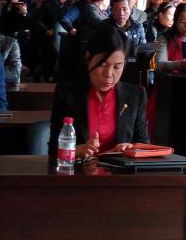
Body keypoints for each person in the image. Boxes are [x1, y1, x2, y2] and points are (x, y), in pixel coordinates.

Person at [48, 24, 149, 160]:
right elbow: (53, 150)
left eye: (117, 67)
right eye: (103, 65)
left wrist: (129, 149)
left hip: (119, 171)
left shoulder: (136, 95)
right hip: (79, 171)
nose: (109, 74)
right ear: (88, 58)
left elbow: (144, 146)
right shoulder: (67, 93)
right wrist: (75, 151)